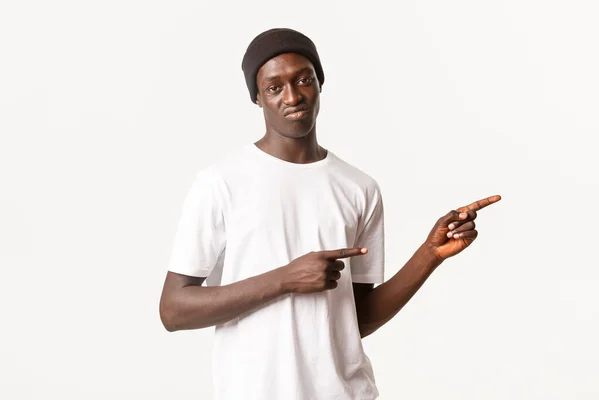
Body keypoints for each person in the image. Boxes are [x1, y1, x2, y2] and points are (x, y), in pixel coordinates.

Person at [159, 28, 501, 400]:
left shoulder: (358, 187)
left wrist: (430, 254)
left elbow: (356, 320)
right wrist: (285, 279)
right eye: (274, 87)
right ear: (257, 98)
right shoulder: (220, 183)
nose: (292, 96)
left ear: (319, 82)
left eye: (303, 79)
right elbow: (174, 310)